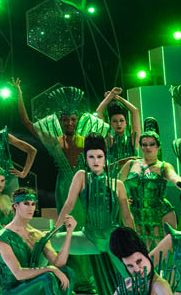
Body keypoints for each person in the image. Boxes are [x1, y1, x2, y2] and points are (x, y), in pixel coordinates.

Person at [55, 134, 134, 295]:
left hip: (113, 241)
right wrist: (55, 228)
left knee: (134, 278)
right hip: (89, 237)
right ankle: (44, 286)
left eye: (99, 156)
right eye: (91, 157)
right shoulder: (81, 176)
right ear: (86, 158)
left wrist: (134, 241)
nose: (95, 161)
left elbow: (127, 216)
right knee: (45, 242)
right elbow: (69, 204)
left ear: (105, 158)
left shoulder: (118, 184)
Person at [13, 80, 111, 213]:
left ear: (77, 120)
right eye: (65, 120)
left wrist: (109, 98)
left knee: (86, 215)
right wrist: (19, 94)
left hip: (85, 182)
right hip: (64, 184)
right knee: (67, 216)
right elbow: (26, 122)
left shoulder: (86, 140)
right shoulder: (54, 141)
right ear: (61, 121)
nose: (69, 123)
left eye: (73, 119)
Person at [122, 119, 181, 248]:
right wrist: (124, 199)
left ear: (158, 146)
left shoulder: (164, 166)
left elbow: (175, 178)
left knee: (165, 251)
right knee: (138, 250)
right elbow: (115, 185)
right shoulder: (131, 164)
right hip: (137, 212)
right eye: (144, 144)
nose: (148, 148)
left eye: (151, 144)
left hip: (160, 212)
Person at [95, 89, 140, 172]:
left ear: (126, 122)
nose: (119, 124)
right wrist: (110, 95)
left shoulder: (133, 139)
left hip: (131, 177)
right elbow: (99, 112)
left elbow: (134, 111)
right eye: (115, 121)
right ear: (110, 123)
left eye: (121, 120)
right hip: (112, 177)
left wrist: (117, 98)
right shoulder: (108, 139)